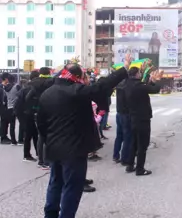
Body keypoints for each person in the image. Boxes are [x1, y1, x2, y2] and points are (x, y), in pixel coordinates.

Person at [37, 54, 131, 218]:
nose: (86, 79)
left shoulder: (47, 93)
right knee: (72, 186)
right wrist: (124, 69)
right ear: (77, 77)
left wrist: (48, 140)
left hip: (53, 147)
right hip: (74, 149)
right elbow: (102, 86)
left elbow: (41, 124)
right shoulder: (75, 91)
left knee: (55, 183)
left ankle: (50, 215)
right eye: (84, 76)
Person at [125, 67, 161, 175]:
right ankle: (140, 169)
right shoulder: (139, 87)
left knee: (134, 143)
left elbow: (144, 86)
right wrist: (156, 81)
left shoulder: (127, 84)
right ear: (136, 74)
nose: (141, 74)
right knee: (142, 145)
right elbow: (155, 89)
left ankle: (130, 165)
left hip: (132, 118)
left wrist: (149, 81)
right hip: (142, 119)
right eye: (140, 73)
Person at [23, 68, 55, 167]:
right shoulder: (51, 82)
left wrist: (35, 107)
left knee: (41, 136)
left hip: (37, 112)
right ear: (49, 73)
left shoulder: (34, 84)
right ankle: (47, 160)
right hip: (50, 111)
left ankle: (41, 160)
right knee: (49, 136)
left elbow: (27, 98)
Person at [14, 71, 41, 162]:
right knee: (29, 135)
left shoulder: (26, 88)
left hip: (26, 114)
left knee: (34, 134)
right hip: (27, 115)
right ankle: (27, 155)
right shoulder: (30, 89)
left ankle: (37, 153)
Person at [113, 75, 131, 165]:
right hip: (126, 114)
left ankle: (115, 155)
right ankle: (125, 159)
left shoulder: (119, 85)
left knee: (119, 136)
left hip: (119, 113)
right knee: (127, 137)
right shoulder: (127, 86)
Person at [1, 73, 21, 145]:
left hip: (8, 107)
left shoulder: (5, 88)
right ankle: (17, 140)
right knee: (15, 124)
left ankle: (12, 140)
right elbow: (20, 95)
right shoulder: (16, 86)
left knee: (11, 125)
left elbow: (4, 98)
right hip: (15, 107)